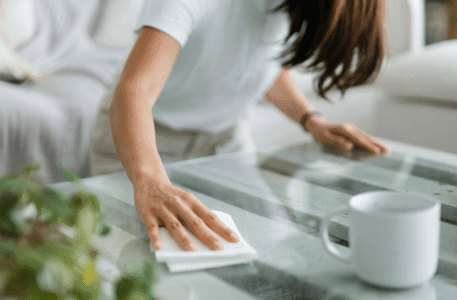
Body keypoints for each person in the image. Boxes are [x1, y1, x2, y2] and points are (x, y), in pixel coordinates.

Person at [90, 0, 390, 252]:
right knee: (139, 258)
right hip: (144, 143)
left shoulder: (290, 6)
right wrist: (150, 181)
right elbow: (134, 92)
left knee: (258, 247)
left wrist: (311, 119)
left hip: (226, 141)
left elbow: (262, 63)